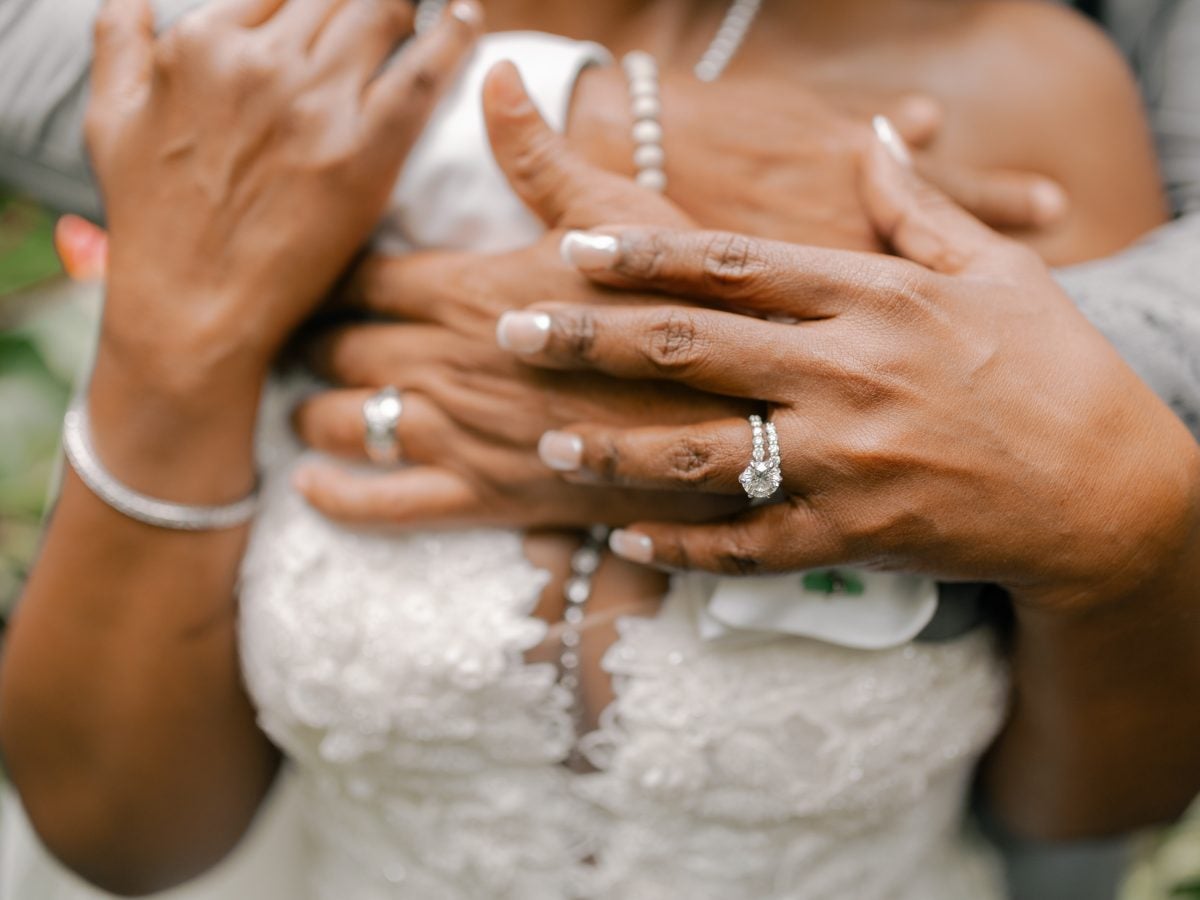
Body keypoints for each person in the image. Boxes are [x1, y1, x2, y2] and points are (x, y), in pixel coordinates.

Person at [0, 1, 1195, 899]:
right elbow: (119, 823)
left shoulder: (1025, 100)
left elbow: (1091, 801)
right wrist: (177, 345)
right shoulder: (300, 74)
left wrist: (1118, 534)